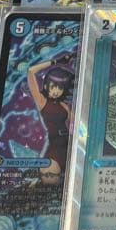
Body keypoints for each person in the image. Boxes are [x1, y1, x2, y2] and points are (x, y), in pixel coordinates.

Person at [26, 54, 74, 185]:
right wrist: (55, 61)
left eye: (60, 88)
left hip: (70, 145)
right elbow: (31, 71)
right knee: (50, 183)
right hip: (54, 147)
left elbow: (77, 124)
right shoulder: (42, 101)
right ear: (47, 86)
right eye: (53, 86)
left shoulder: (64, 105)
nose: (56, 91)